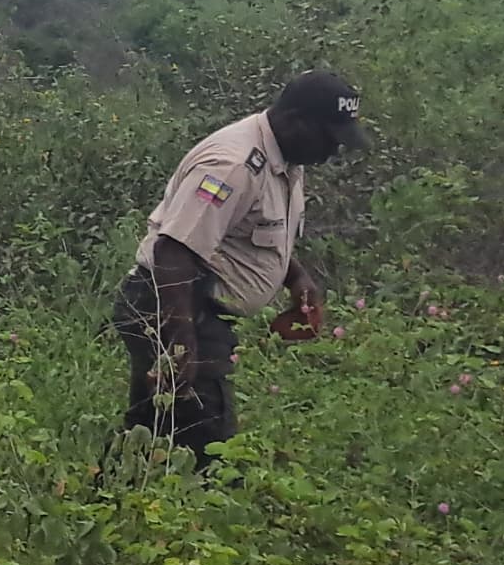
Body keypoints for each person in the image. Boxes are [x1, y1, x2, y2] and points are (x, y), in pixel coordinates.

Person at [113, 70, 360, 463]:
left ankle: (114, 504)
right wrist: (180, 343)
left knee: (152, 433)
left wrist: (295, 276)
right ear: (297, 121)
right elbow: (173, 252)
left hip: (193, 309)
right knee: (207, 444)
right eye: (328, 139)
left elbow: (242, 232)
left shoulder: (287, 160)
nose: (331, 153)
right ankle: (179, 514)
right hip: (174, 306)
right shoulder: (233, 164)